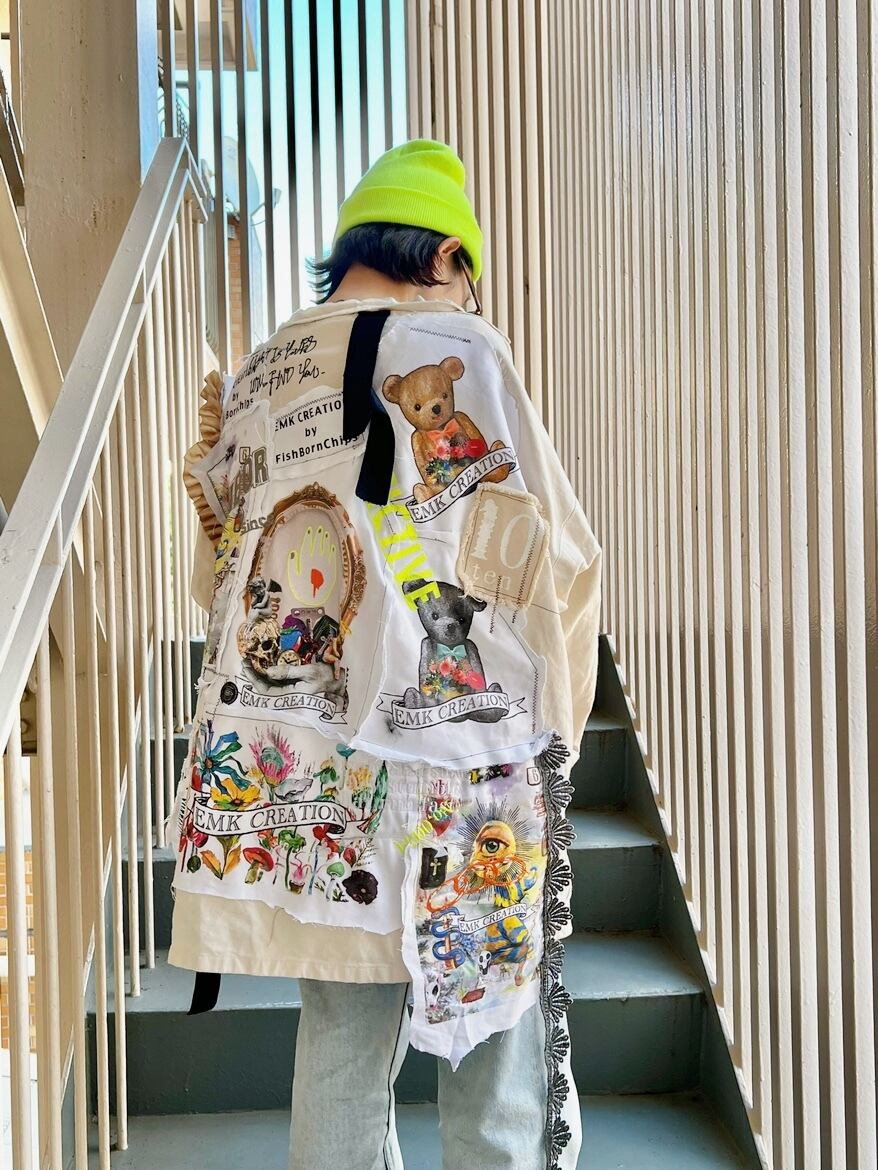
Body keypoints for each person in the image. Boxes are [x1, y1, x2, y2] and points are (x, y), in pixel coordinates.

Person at [169, 138, 602, 1170]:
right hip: (468, 759)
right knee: (494, 1036)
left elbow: (215, 577)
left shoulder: (267, 369)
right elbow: (555, 557)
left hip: (311, 772)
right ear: (445, 252)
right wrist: (564, 723)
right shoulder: (463, 347)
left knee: (339, 1047)